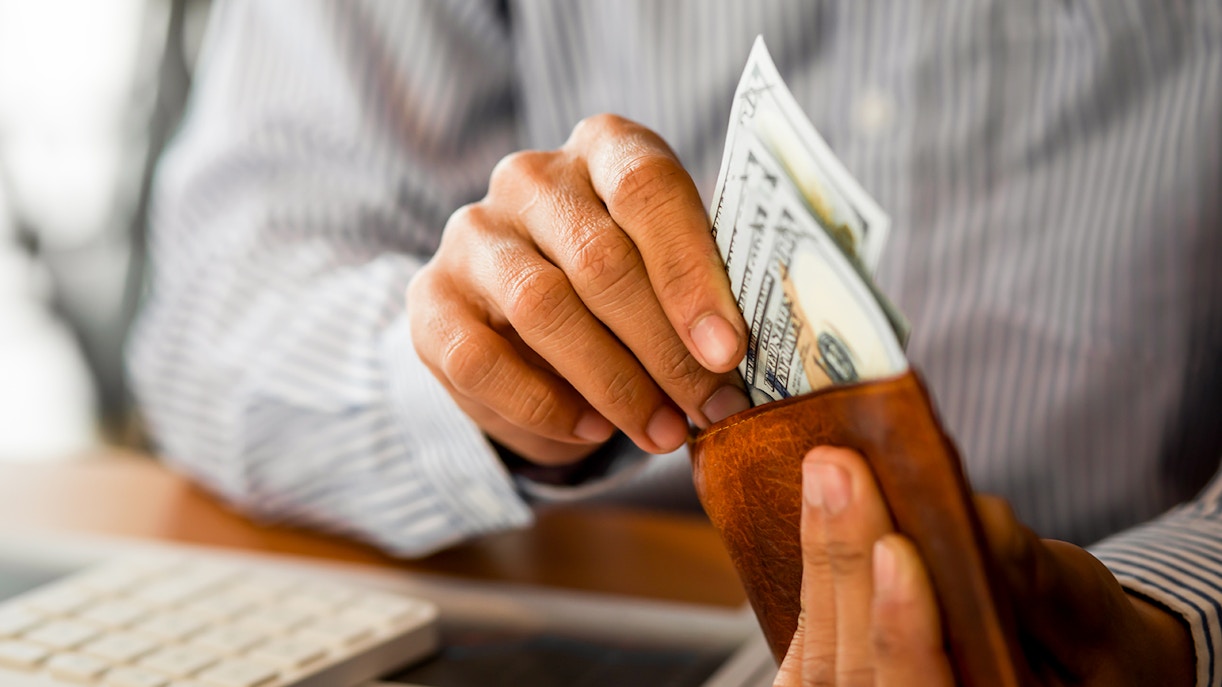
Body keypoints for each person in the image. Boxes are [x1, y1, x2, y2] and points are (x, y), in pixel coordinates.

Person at [128, 1, 1222, 683]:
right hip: (552, 600)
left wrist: (1166, 626)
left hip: (1100, 622)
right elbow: (211, 314)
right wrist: (481, 379)